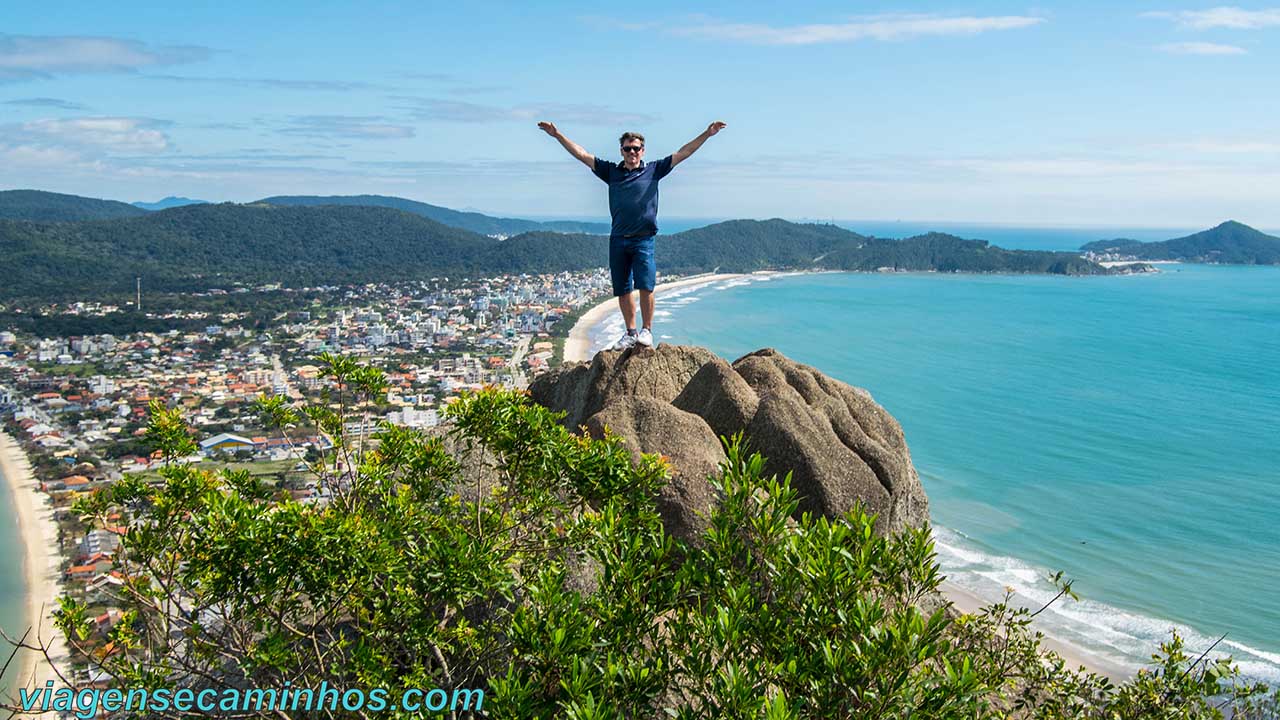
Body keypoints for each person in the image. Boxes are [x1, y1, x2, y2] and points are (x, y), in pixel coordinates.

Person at [538, 120, 727, 350]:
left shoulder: (654, 170)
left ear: (642, 151)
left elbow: (684, 152)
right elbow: (582, 155)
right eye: (628, 148)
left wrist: (707, 134)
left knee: (646, 286)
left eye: (636, 148)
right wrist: (558, 135)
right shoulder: (611, 172)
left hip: (643, 239)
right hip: (618, 239)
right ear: (622, 151)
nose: (632, 152)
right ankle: (630, 332)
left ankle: (646, 330)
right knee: (623, 288)